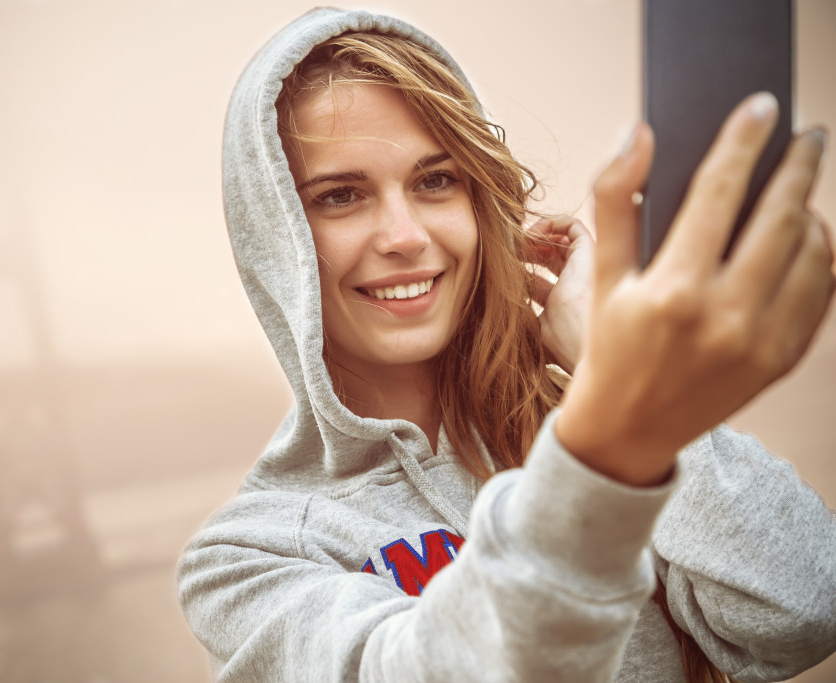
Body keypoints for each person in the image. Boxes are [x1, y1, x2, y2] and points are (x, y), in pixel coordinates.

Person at [178, 8, 836, 682]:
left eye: (435, 181)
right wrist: (608, 451)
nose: (404, 234)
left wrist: (612, 379)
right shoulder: (247, 556)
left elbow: (800, 612)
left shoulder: (586, 419)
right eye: (341, 195)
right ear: (277, 239)